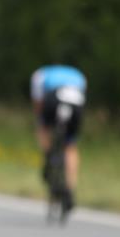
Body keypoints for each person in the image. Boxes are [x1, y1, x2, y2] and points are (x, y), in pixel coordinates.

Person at [30, 64, 87, 213]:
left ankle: (49, 157)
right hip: (76, 102)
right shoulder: (78, 75)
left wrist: (41, 123)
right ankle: (69, 190)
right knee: (70, 146)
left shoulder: (39, 75)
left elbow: (38, 104)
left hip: (54, 98)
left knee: (42, 125)